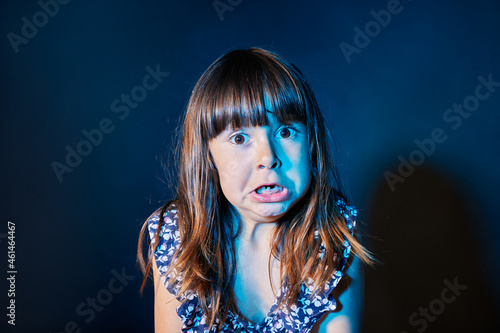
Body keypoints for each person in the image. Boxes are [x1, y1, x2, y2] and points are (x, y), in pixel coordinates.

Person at [137, 47, 373, 332]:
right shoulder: (178, 235)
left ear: (310, 142)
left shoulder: (331, 235)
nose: (268, 157)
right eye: (239, 138)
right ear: (208, 155)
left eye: (285, 132)